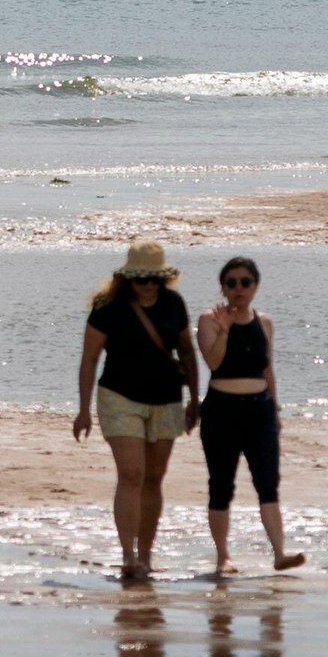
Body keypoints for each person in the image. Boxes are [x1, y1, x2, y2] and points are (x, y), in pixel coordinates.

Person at [74, 239, 199, 585]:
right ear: (128, 277)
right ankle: (128, 556)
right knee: (131, 473)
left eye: (154, 279)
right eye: (141, 278)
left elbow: (188, 353)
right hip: (119, 397)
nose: (148, 285)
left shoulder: (174, 304)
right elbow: (89, 360)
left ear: (164, 278)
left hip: (167, 399)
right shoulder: (108, 306)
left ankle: (146, 554)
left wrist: (196, 400)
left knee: (154, 478)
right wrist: (83, 410)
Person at [194, 256, 308, 577]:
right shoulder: (209, 321)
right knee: (221, 485)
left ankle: (280, 553)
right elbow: (214, 363)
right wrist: (226, 331)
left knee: (268, 483)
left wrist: (275, 409)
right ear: (223, 288)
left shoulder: (265, 322)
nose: (239, 289)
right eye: (231, 283)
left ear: (255, 286)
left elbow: (267, 367)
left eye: (245, 282)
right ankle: (222, 557)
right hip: (221, 410)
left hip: (259, 410)